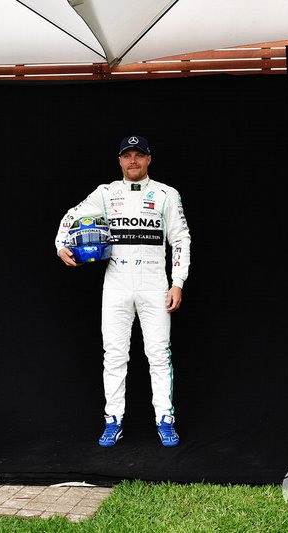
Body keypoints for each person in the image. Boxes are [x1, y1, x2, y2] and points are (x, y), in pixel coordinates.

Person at [55, 134, 191, 448]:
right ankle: (112, 420)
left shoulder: (166, 194)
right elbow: (70, 216)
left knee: (159, 356)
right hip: (116, 282)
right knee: (114, 356)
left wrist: (177, 282)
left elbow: (181, 239)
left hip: (154, 282)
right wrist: (60, 245)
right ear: (119, 160)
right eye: (127, 156)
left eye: (138, 155)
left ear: (148, 159)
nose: (133, 161)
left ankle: (165, 419)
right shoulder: (105, 193)